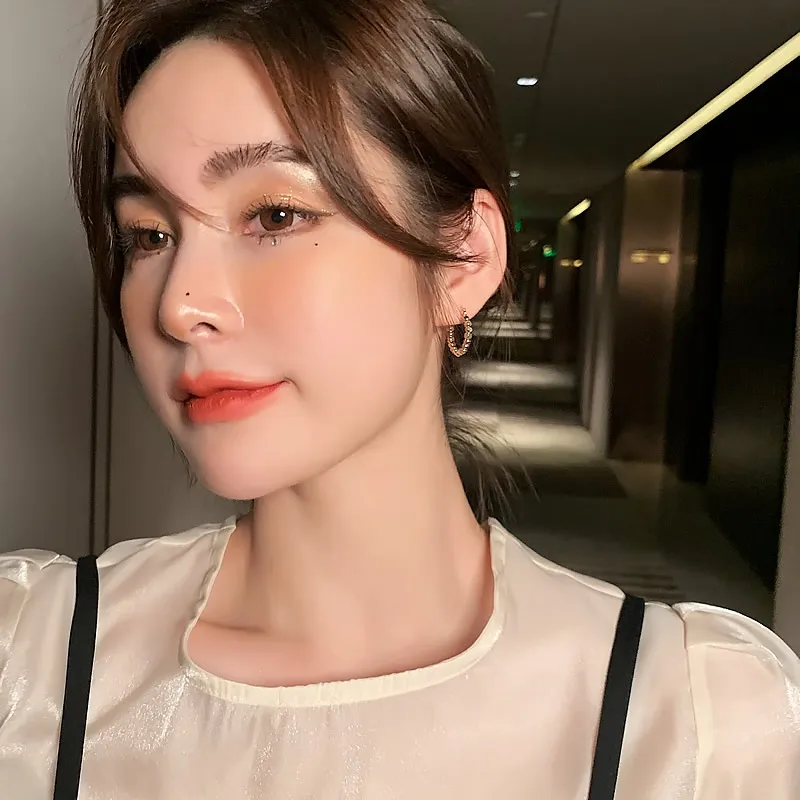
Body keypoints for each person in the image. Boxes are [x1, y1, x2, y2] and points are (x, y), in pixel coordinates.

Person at [1, 0, 798, 797]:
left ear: (462, 260)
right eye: (149, 235)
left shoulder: (696, 726)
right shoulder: (31, 666)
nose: (180, 305)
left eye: (275, 214)